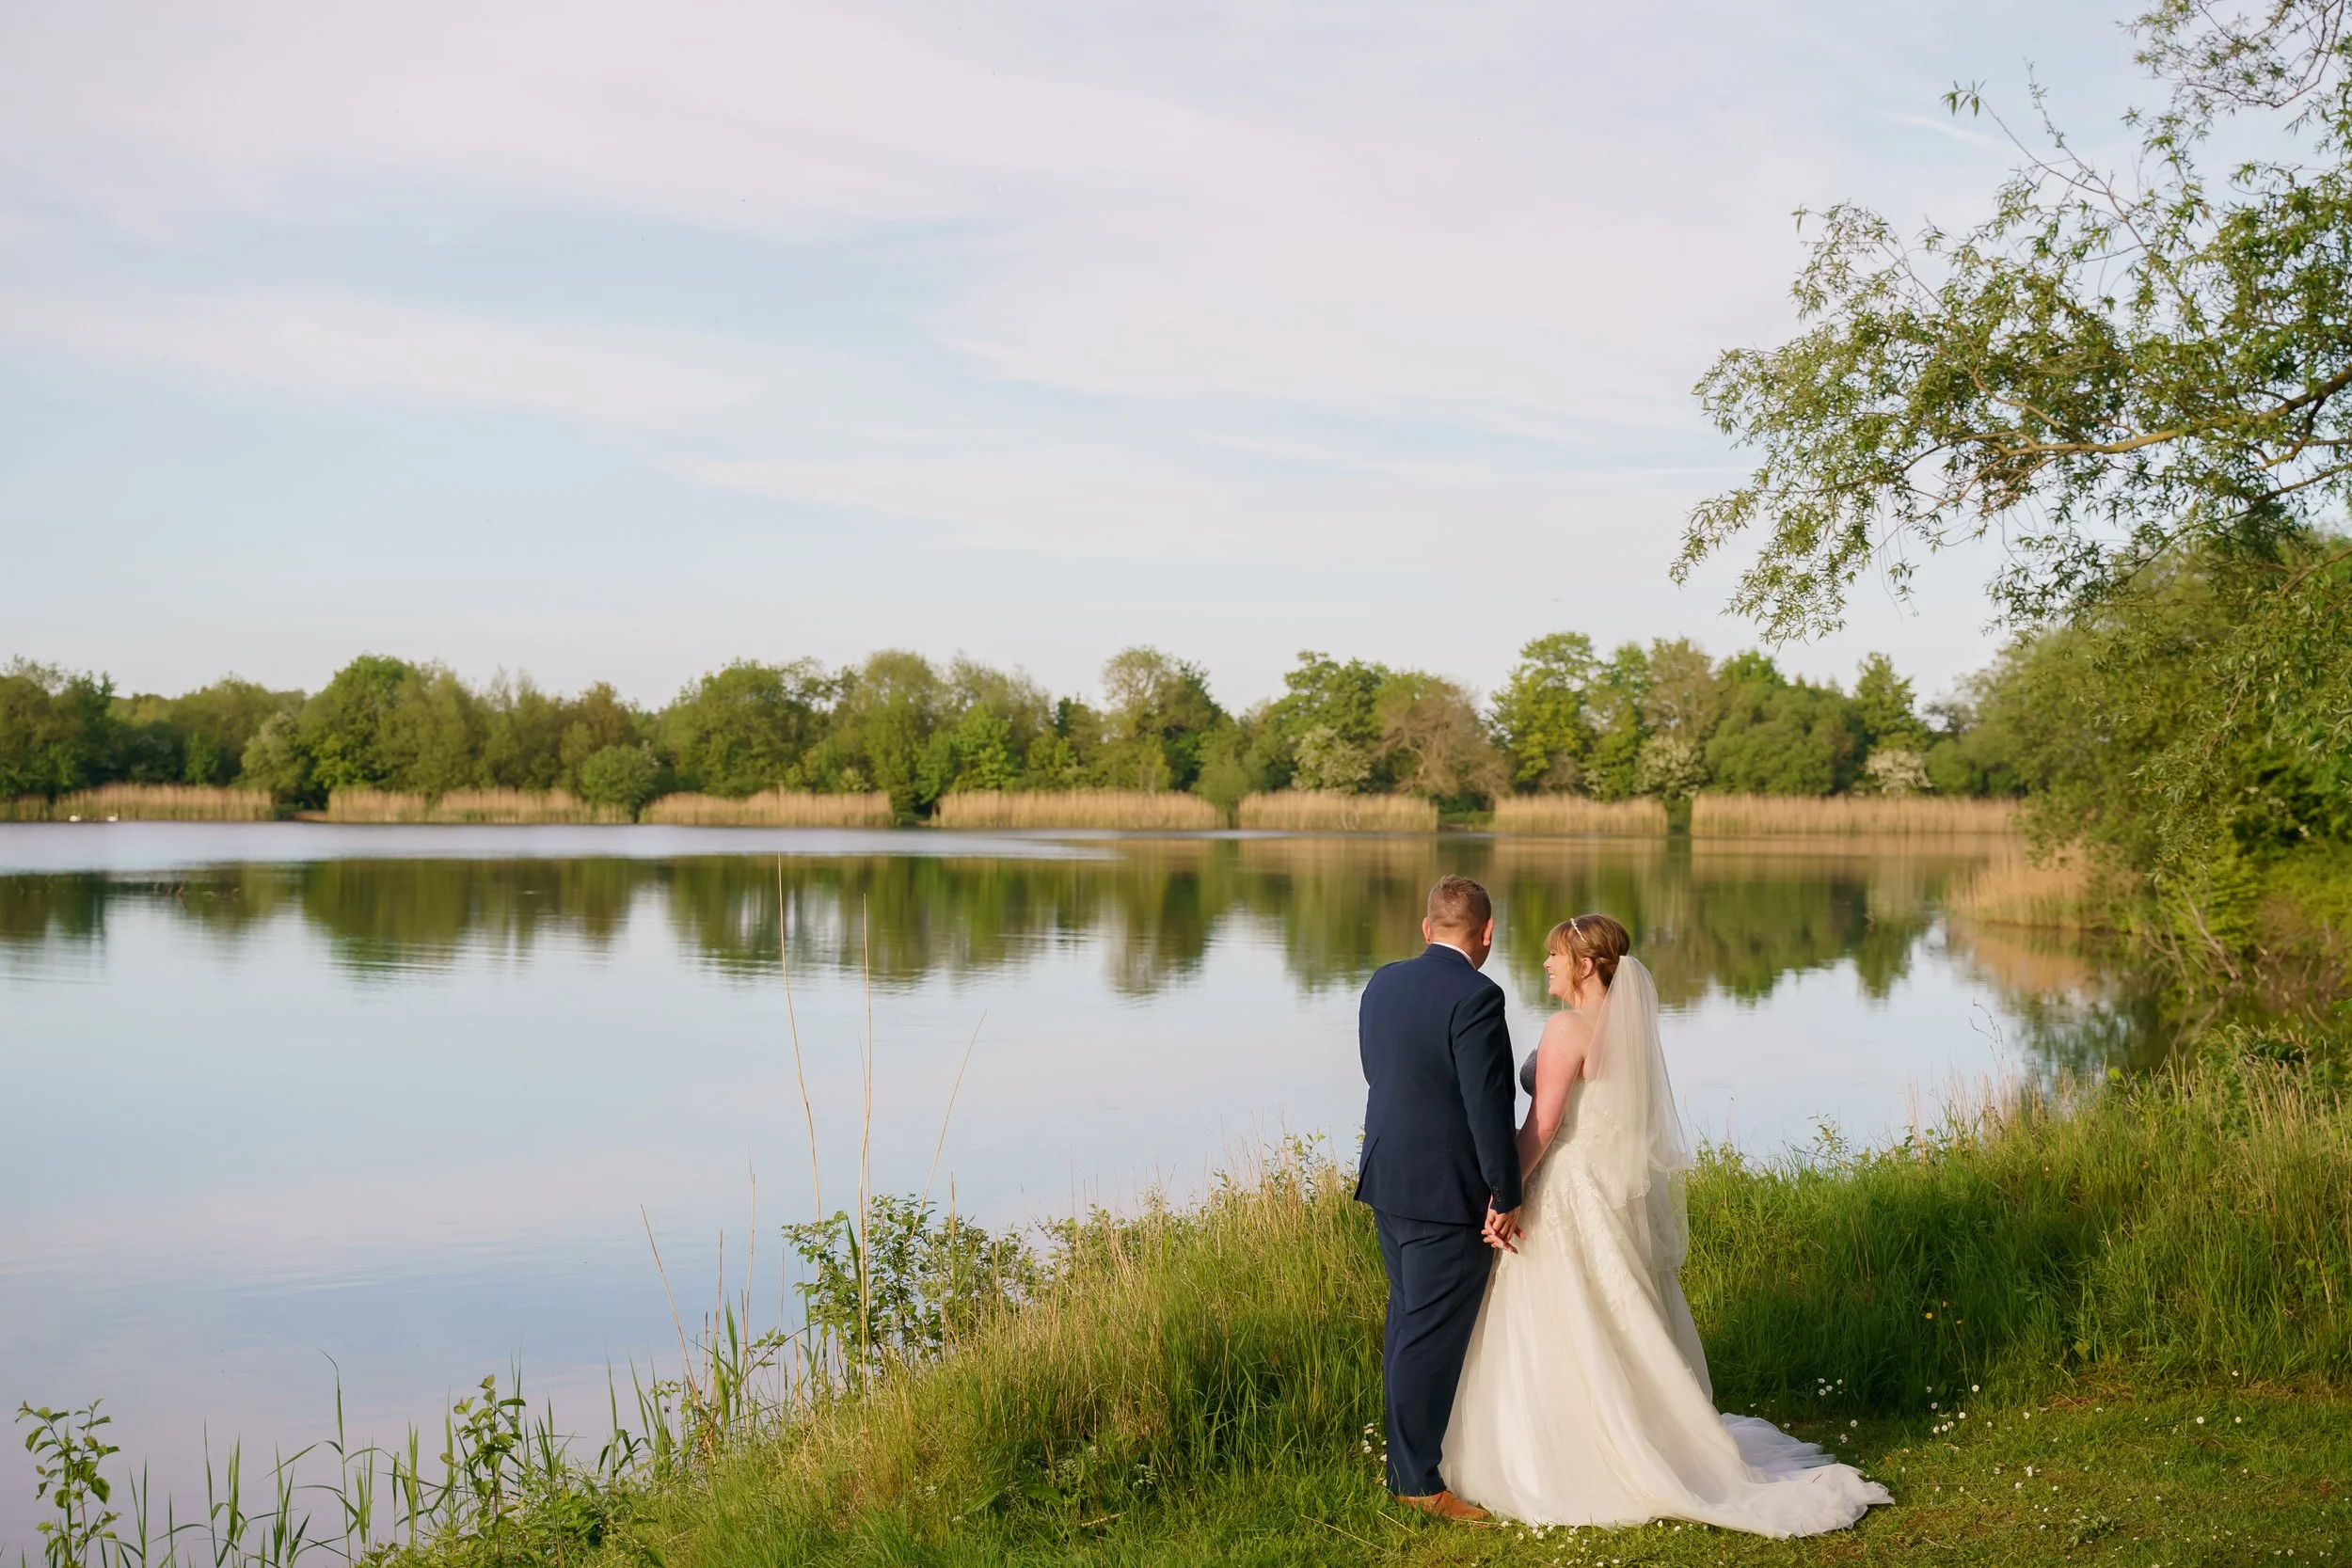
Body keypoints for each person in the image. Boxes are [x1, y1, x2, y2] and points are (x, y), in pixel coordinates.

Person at [1440, 913, 1892, 1536]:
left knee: (1563, 1311)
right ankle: (1642, 1429)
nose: (1545, 964)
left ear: (1586, 963)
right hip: (1611, 1192)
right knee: (1618, 1312)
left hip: (1570, 1188)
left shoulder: (1568, 1028)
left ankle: (1566, 1450)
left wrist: (1502, 1195)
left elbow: (1540, 1128)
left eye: (1553, 955)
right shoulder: (1630, 1027)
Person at [1353, 873, 1521, 1523]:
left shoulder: (1382, 982)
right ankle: (1418, 1482)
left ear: (1427, 927)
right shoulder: (1479, 995)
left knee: (1406, 1322)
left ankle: (1405, 1465)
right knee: (1424, 1332)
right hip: (1446, 1189)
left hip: (1388, 1176)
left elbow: (1380, 1070)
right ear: (1486, 933)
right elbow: (1488, 1104)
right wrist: (1505, 1190)